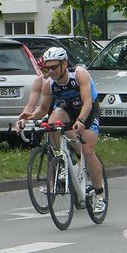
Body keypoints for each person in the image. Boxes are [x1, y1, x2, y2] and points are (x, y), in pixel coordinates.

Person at [25, 46, 106, 214]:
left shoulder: (78, 74)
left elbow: (88, 102)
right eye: (47, 68)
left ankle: (99, 194)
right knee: (52, 123)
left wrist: (81, 121)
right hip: (67, 109)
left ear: (64, 64)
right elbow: (43, 109)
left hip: (87, 110)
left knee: (88, 151)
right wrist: (27, 117)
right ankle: (63, 160)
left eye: (54, 67)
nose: (51, 71)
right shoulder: (49, 84)